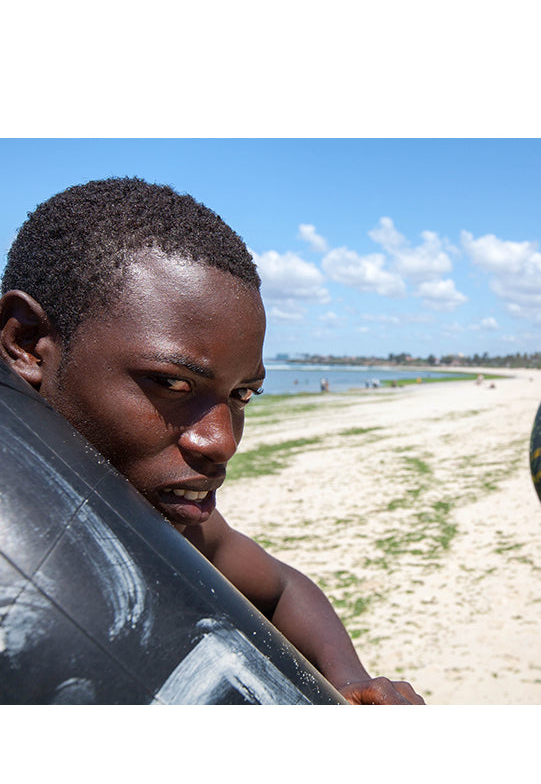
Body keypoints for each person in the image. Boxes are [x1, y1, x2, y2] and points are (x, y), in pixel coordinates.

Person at [0, 176, 423, 705]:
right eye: (173, 384)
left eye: (243, 395)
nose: (222, 442)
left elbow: (285, 589)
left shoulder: (180, 529)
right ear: (27, 345)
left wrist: (347, 678)